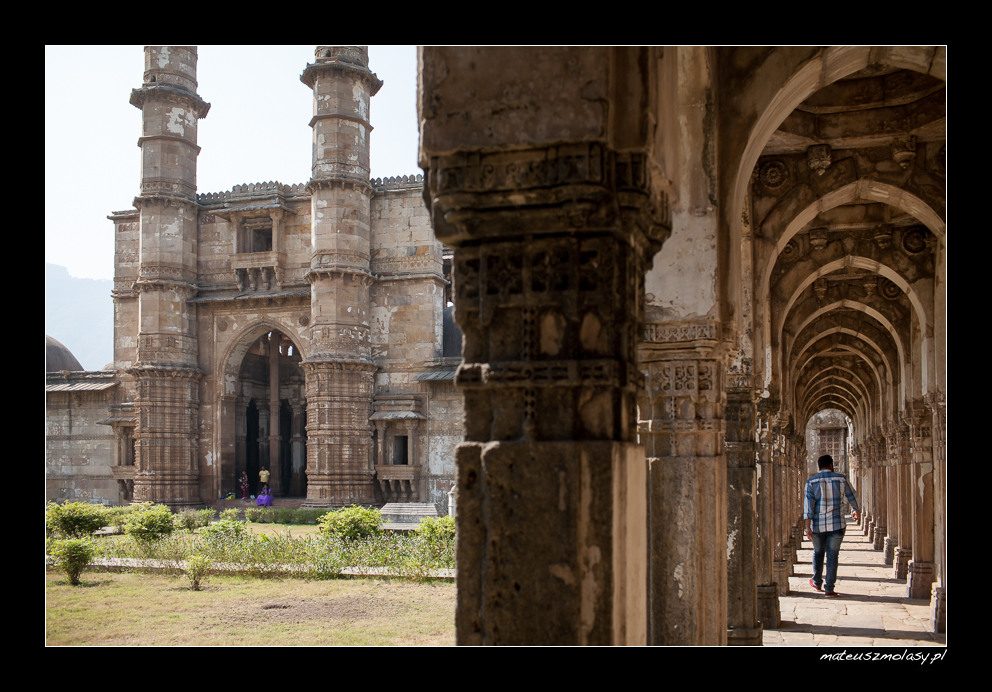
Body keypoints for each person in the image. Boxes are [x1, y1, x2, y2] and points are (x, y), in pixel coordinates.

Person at [803, 454, 861, 597]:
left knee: (818, 552)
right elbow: (852, 496)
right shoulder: (840, 479)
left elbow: (809, 507)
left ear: (819, 467)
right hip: (837, 524)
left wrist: (807, 527)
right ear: (830, 465)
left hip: (818, 526)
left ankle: (817, 582)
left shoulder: (811, 482)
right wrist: (856, 510)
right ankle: (829, 588)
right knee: (832, 555)